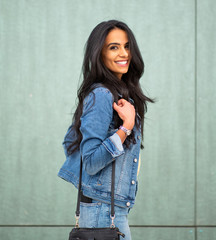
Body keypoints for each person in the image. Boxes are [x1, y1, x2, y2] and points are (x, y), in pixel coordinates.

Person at [58, 20, 154, 239]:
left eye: (127, 46)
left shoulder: (120, 95)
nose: (124, 53)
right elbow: (90, 162)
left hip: (106, 211)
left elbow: (71, 141)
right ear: (98, 53)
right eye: (114, 47)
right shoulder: (102, 95)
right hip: (102, 213)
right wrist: (126, 128)